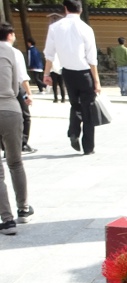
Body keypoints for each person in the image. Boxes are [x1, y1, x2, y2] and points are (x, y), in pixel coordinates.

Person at [42, 0, 102, 156]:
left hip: (67, 72)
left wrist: (47, 74)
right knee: (88, 109)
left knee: (75, 105)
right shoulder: (86, 28)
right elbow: (92, 58)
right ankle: (88, 147)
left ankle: (74, 132)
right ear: (80, 10)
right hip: (85, 73)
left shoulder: (54, 28)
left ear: (65, 9)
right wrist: (96, 81)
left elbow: (49, 54)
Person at [0, 23, 33, 236]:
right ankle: (23, 209)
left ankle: (7, 220)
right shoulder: (12, 52)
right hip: (11, 108)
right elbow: (17, 83)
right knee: (15, 162)